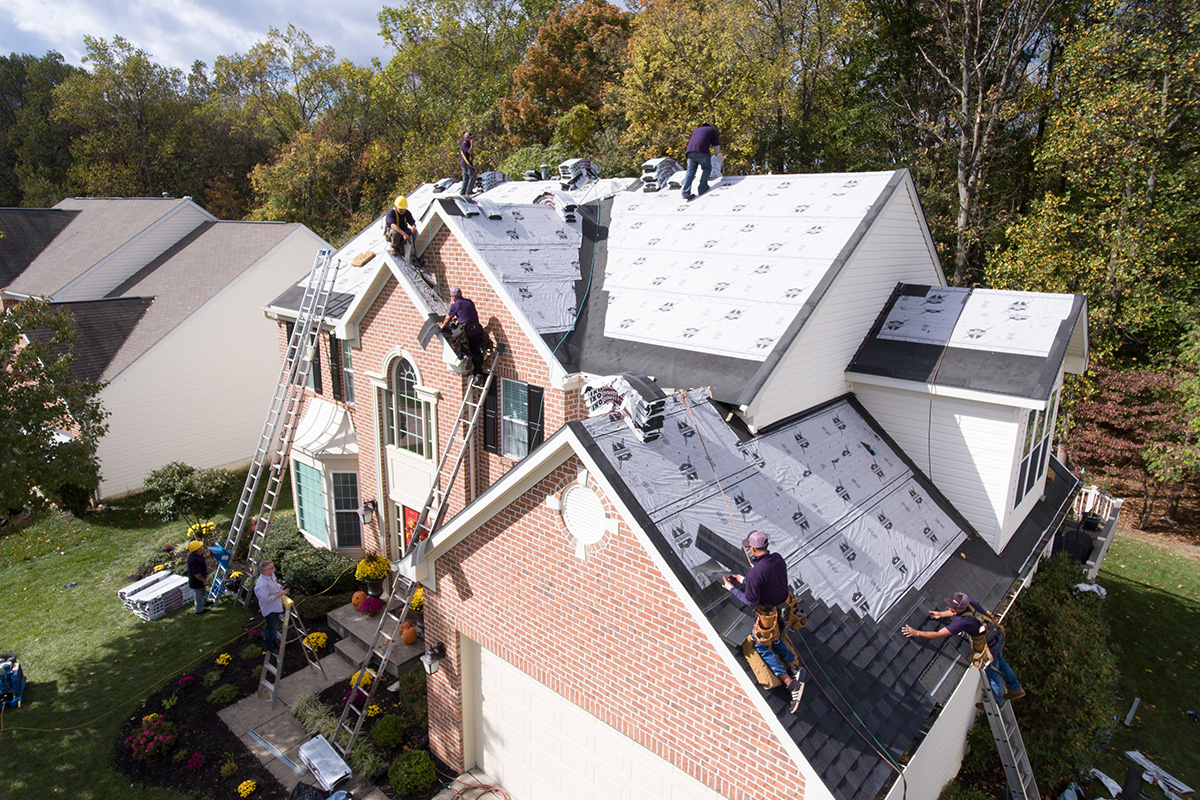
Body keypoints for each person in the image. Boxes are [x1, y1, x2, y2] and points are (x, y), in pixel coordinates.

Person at [722, 530, 806, 713]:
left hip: (768, 615)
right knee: (776, 638)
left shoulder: (755, 573)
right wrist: (744, 580)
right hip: (782, 610)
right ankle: (793, 666)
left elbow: (751, 601)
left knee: (762, 645)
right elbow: (768, 581)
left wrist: (731, 589)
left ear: (752, 549)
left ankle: (791, 685)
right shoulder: (777, 559)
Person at [902, 591, 1025, 707]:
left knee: (992, 674)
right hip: (997, 636)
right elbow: (957, 611)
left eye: (952, 607)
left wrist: (917, 633)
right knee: (1000, 661)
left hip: (991, 647)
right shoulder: (968, 602)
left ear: (961, 608)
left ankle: (997, 704)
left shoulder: (962, 622)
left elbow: (939, 634)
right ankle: (1016, 688)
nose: (950, 608)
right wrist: (941, 614)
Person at [441, 287, 488, 377]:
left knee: (456, 342)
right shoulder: (469, 302)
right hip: (477, 330)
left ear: (454, 296)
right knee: (476, 351)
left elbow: (448, 318)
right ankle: (478, 374)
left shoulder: (455, 305)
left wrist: (442, 326)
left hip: (466, 332)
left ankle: (465, 356)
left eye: (452, 296)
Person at [254, 560, 288, 653]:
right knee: (271, 628)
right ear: (265, 571)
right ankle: (270, 646)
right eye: (271, 568)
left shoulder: (271, 576)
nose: (274, 569)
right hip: (270, 609)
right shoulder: (262, 585)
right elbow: (265, 599)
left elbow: (275, 585)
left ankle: (273, 642)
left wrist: (281, 588)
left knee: (274, 626)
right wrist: (279, 594)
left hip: (276, 605)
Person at [680, 123, 720, 200]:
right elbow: (716, 146)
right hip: (701, 150)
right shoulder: (712, 130)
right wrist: (716, 155)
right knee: (707, 168)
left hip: (690, 152)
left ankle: (685, 192)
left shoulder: (696, 130)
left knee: (690, 171)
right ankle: (702, 188)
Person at [186, 540, 210, 615]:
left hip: (200, 581)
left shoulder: (197, 555)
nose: (202, 547)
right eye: (201, 547)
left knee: (202, 592)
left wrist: (209, 555)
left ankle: (205, 602)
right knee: (198, 596)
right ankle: (199, 610)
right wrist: (204, 581)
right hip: (196, 582)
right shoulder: (194, 560)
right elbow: (196, 574)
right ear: (197, 549)